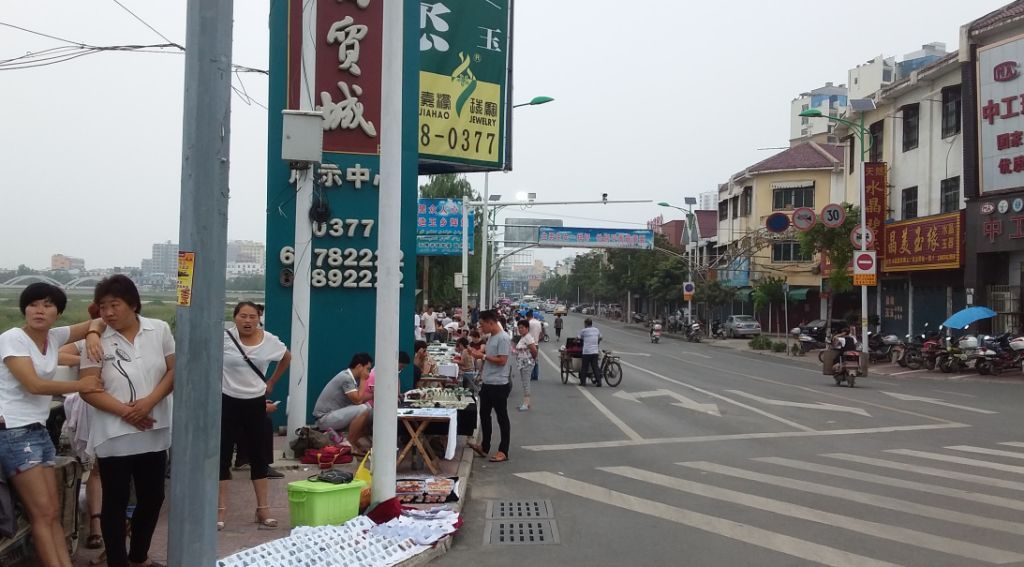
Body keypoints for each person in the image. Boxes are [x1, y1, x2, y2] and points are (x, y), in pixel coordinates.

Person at [0, 283, 105, 567]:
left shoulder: (53, 338)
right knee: (42, 513)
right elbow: (33, 385)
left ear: (57, 313)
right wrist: (81, 384)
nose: (39, 310)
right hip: (14, 432)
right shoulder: (13, 338)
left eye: (47, 305)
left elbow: (98, 321)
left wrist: (93, 334)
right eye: (33, 304)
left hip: (37, 429)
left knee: (53, 512)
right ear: (24, 309)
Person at [80, 275, 174, 567]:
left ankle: (138, 557)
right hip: (114, 433)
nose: (108, 312)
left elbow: (174, 370)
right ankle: (117, 562)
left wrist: (148, 402)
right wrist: (127, 412)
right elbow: (88, 389)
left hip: (154, 427)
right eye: (103, 306)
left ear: (133, 304)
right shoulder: (96, 340)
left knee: (153, 497)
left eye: (115, 304)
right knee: (115, 501)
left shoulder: (159, 329)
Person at [218, 301, 292, 531]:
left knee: (259, 457)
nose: (247, 321)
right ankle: (221, 510)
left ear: (259, 318)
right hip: (227, 400)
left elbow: (286, 357)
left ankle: (263, 509)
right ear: (235, 318)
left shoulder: (269, 340)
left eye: (252, 316)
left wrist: (272, 382)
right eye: (243, 316)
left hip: (255, 402)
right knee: (222, 456)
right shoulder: (224, 338)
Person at [466, 310, 511, 463]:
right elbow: (488, 358)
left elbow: (502, 360)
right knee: (484, 415)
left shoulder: (503, 338)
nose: (481, 328)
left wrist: (483, 356)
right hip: (487, 382)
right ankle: (484, 446)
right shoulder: (491, 337)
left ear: (491, 322)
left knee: (502, 417)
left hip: (499, 384)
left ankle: (503, 450)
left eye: (482, 324)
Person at [311, 353, 373, 455]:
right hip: (324, 419)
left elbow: (360, 399)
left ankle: (355, 441)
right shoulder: (346, 378)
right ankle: (349, 444)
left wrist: (374, 395)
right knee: (362, 409)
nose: (369, 373)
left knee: (368, 408)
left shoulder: (351, 378)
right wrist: (363, 380)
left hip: (333, 416)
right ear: (359, 366)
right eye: (367, 369)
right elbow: (358, 400)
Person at [513, 319, 537, 411]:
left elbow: (534, 350)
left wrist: (531, 359)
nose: (520, 329)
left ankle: (526, 404)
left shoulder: (528, 337)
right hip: (522, 364)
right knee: (524, 383)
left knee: (526, 383)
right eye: (519, 328)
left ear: (527, 328)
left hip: (526, 364)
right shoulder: (523, 337)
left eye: (522, 328)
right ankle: (527, 403)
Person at [579, 318, 602, 387]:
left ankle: (583, 382)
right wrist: (597, 343)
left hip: (586, 352)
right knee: (595, 367)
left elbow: (579, 338)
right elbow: (600, 337)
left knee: (584, 367)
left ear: (586, 324)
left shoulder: (584, 330)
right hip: (595, 352)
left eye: (584, 324)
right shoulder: (596, 330)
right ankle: (599, 382)